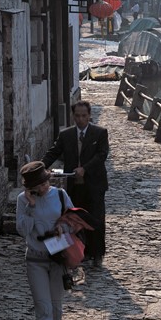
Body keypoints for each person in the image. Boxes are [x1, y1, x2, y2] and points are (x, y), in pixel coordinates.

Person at [16, 161, 74, 320]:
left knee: (57, 307)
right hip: (35, 259)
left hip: (57, 258)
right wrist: (31, 207)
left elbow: (72, 221)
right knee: (43, 309)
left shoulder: (59, 195)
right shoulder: (23, 200)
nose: (40, 189)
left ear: (47, 180)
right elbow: (22, 230)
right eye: (35, 186)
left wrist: (62, 227)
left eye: (42, 184)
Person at [42, 100, 109, 265]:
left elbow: (101, 155)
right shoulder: (66, 135)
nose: (80, 119)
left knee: (96, 217)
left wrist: (85, 168)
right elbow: (54, 152)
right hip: (73, 183)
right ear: (73, 116)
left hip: (94, 183)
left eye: (84, 116)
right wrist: (40, 168)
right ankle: (82, 251)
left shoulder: (100, 133)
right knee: (76, 218)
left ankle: (97, 253)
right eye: (77, 116)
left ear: (89, 115)